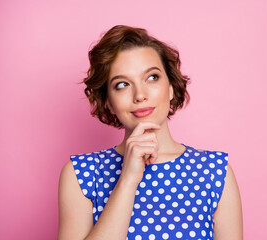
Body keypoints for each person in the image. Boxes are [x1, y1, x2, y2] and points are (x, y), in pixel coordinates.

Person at [58, 25, 243, 240]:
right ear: (108, 101)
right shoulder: (82, 174)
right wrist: (127, 180)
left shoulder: (215, 173)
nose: (140, 95)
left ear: (172, 87)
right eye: (122, 84)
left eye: (152, 78)